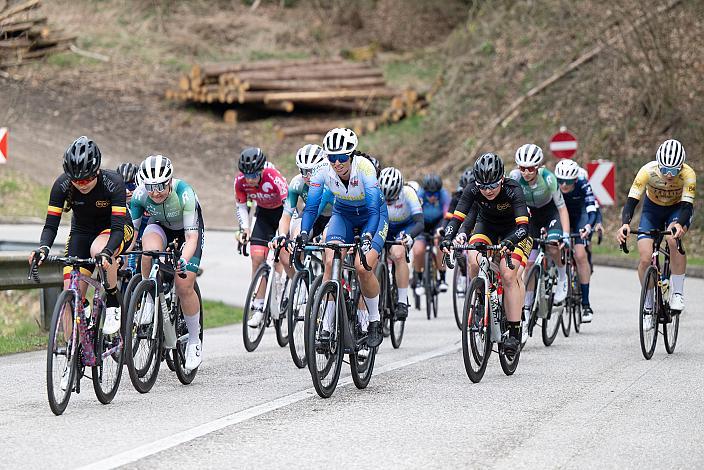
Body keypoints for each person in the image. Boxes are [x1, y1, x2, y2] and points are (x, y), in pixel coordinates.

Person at [30, 136, 134, 339]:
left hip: (116, 230)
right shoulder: (61, 185)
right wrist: (43, 248)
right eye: (76, 180)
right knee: (71, 294)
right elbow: (51, 225)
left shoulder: (113, 183)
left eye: (86, 179)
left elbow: (118, 229)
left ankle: (113, 301)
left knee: (98, 249)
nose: (82, 184)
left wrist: (107, 252)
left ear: (97, 171)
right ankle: (73, 355)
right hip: (81, 232)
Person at [298, 128, 388, 347]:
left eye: (341, 157)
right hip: (344, 215)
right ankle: (327, 327)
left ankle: (374, 320)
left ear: (351, 154)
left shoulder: (365, 169)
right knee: (330, 261)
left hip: (372, 216)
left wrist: (367, 236)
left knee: (362, 267)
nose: (337, 163)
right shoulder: (322, 171)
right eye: (332, 157)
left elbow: (375, 210)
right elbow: (311, 208)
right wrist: (303, 233)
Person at [441, 152, 532, 356]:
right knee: (473, 259)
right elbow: (457, 219)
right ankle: (480, 301)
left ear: (501, 179)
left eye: (492, 185)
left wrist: (509, 242)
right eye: (483, 186)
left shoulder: (512, 189)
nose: (487, 191)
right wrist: (447, 238)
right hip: (487, 227)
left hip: (515, 231)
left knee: (508, 274)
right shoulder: (472, 189)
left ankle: (515, 332)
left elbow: (523, 227)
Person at [129, 155, 205, 371]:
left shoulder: (185, 193)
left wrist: (183, 260)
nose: (155, 191)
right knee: (148, 251)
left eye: (161, 185)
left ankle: (193, 340)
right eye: (150, 186)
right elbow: (132, 234)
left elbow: (191, 239)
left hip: (187, 233)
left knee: (183, 285)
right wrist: (118, 255)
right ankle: (149, 299)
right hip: (160, 227)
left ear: (170, 180)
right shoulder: (139, 196)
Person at [616, 139, 695, 313]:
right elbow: (631, 202)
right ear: (658, 165)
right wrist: (625, 225)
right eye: (665, 169)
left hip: (677, 210)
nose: (668, 174)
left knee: (673, 241)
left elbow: (687, 206)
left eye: (673, 170)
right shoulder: (647, 171)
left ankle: (678, 294)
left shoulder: (688, 174)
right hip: (652, 211)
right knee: (645, 258)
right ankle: (648, 305)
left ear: (681, 167)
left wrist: (680, 225)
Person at [509, 144, 571, 307]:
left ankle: (563, 277)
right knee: (528, 264)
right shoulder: (514, 177)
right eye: (522, 168)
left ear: (537, 167)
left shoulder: (548, 177)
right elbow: (510, 206)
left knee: (552, 246)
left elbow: (562, 208)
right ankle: (528, 304)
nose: (526, 172)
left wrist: (565, 234)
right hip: (531, 217)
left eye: (530, 169)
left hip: (551, 214)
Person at [234, 147, 289, 328]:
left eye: (254, 175)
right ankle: (258, 307)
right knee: (257, 257)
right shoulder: (240, 181)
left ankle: (284, 287)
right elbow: (241, 206)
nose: (250, 179)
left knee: (283, 258)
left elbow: (289, 204)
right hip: (264, 214)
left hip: (282, 213)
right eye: (247, 175)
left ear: (262, 169)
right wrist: (245, 229)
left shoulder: (273, 176)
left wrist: (284, 233)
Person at [272, 144, 333, 280]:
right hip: (312, 216)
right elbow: (287, 214)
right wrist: (282, 235)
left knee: (327, 242)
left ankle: (331, 282)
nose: (309, 176)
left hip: (335, 217)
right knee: (293, 241)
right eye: (304, 171)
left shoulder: (332, 181)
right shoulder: (297, 183)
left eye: (312, 170)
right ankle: (303, 284)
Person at [554, 158, 598, 322]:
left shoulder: (583, 183)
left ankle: (586, 304)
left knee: (580, 255)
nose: (564, 185)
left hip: (580, 217)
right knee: (553, 247)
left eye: (568, 182)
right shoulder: (552, 184)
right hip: (561, 217)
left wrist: (588, 226)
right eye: (561, 181)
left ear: (575, 179)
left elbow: (592, 210)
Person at [379, 166, 423, 320]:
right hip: (385, 225)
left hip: (404, 227)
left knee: (398, 254)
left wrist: (410, 236)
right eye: (386, 199)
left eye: (392, 198)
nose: (389, 202)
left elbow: (419, 222)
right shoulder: (376, 193)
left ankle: (402, 301)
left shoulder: (409, 193)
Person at [414, 173, 451, 294]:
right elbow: (415, 214)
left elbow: (447, 215)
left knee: (441, 247)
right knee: (418, 250)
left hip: (438, 223)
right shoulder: (419, 195)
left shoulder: (444, 195)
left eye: (435, 194)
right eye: (429, 194)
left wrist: (440, 232)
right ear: (425, 192)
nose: (432, 197)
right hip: (422, 223)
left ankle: (442, 278)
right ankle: (419, 280)